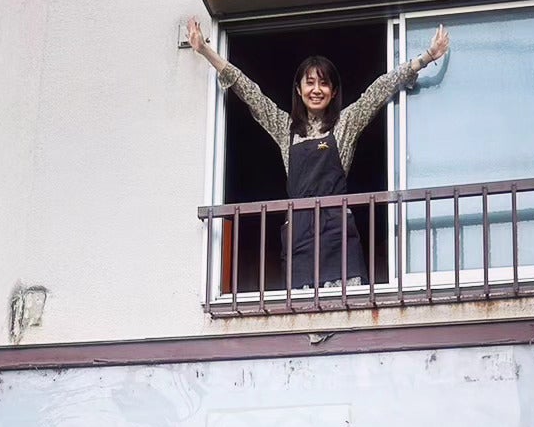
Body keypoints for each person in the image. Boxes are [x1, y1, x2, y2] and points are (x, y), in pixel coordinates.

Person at [187, 17, 450, 289]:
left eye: (323, 83)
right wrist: (205, 50)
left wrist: (427, 57)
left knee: (347, 308)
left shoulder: (345, 124)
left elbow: (379, 89)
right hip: (299, 238)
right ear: (299, 90)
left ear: (333, 91)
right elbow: (249, 91)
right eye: (309, 83)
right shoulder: (285, 128)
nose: (316, 90)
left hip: (338, 235)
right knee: (303, 310)